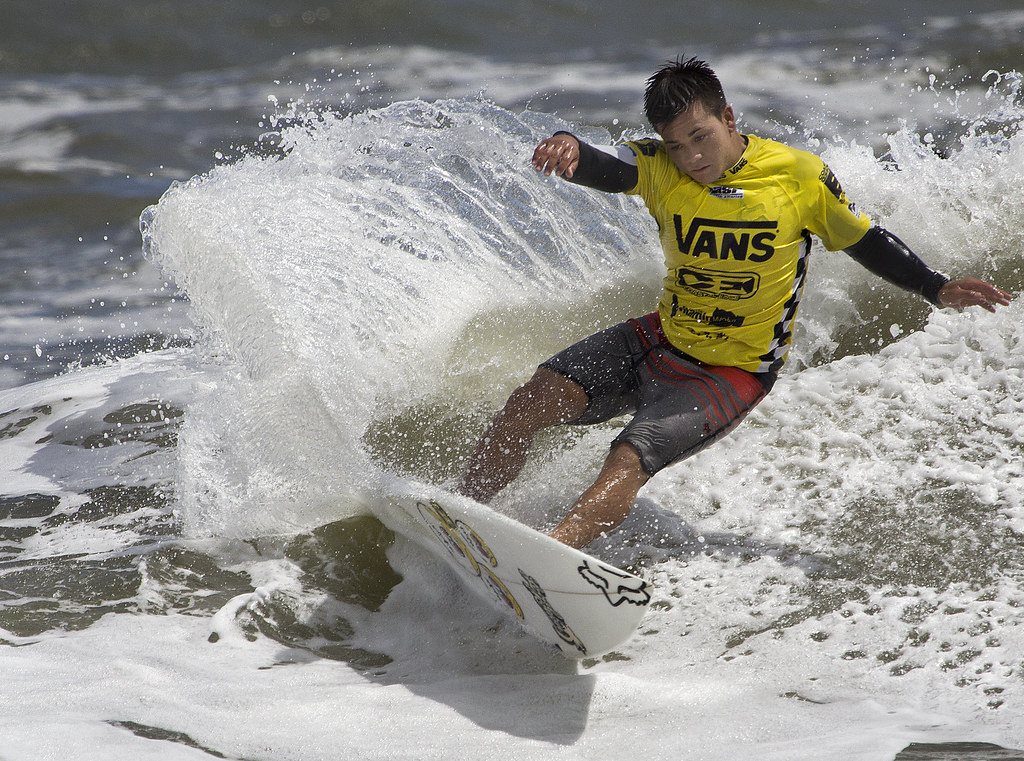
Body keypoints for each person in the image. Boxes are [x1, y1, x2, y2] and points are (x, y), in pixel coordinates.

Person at [456, 56, 1011, 550]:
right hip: (663, 338)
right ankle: (461, 517)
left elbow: (862, 238)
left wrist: (934, 287)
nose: (692, 157)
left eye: (701, 137)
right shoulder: (661, 168)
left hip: (732, 370)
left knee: (627, 458)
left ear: (729, 118)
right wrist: (569, 144)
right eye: (677, 145)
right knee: (530, 401)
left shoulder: (798, 176)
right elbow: (607, 164)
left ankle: (551, 556)